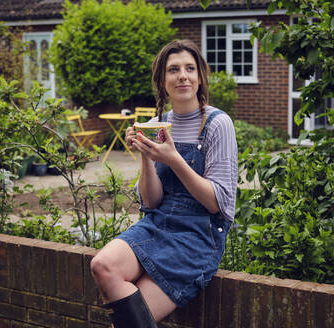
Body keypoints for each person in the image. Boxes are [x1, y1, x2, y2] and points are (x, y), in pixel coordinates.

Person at [90, 39, 238, 328]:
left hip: (197, 237)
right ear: (162, 80)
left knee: (126, 323)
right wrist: (145, 156)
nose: (182, 75)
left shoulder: (218, 124)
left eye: (190, 68)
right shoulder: (159, 124)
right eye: (173, 69)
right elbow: (151, 202)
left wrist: (173, 160)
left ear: (199, 77)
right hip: (157, 224)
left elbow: (216, 203)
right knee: (102, 265)